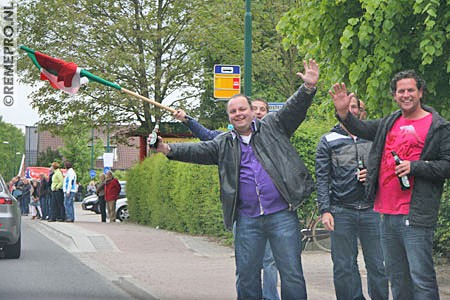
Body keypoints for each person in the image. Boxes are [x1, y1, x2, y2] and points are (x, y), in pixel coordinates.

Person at [155, 59, 319, 300]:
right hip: (247, 220)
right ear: (229, 118)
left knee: (292, 273)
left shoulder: (273, 126)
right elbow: (197, 151)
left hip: (282, 215)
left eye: (242, 109)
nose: (238, 114)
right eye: (233, 111)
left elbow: (293, 109)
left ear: (253, 111)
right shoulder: (224, 143)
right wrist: (167, 149)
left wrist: (307, 89)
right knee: (247, 274)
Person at [331, 70, 450, 300]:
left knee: (421, 278)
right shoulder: (390, 121)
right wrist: (344, 112)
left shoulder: (438, 126)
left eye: (410, 90)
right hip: (386, 213)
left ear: (420, 92)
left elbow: (447, 165)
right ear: (395, 95)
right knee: (397, 278)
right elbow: (361, 129)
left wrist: (415, 167)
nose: (406, 95)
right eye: (401, 91)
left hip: (415, 214)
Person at [173, 97, 279, 300]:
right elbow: (208, 136)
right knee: (246, 264)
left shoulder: (275, 138)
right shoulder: (229, 140)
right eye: (254, 108)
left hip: (272, 213)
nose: (258, 112)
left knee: (269, 261)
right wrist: (187, 119)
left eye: (262, 109)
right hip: (245, 213)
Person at [316, 94, 388, 299]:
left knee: (378, 265)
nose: (353, 110)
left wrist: (375, 174)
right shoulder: (328, 140)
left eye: (357, 107)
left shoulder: (374, 137)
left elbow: (389, 169)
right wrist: (325, 210)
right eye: (349, 106)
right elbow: (322, 178)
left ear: (362, 112)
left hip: (372, 209)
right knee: (344, 266)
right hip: (341, 210)